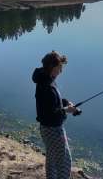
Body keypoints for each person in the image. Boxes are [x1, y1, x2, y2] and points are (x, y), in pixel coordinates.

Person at [32, 51, 78, 179]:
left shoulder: (46, 79)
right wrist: (66, 110)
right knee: (65, 161)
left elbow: (53, 102)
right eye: (59, 68)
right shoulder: (46, 86)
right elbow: (49, 113)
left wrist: (66, 102)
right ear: (52, 67)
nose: (61, 71)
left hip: (47, 128)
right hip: (53, 129)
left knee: (52, 158)